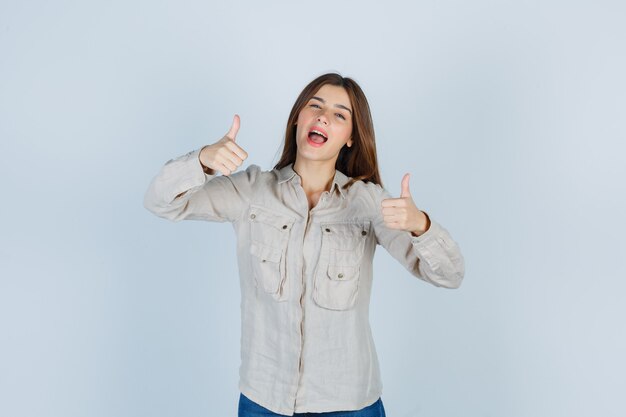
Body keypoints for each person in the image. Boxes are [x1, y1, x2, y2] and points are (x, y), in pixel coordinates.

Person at [143, 73, 465, 417]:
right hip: (264, 401)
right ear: (298, 117)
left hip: (349, 404)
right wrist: (203, 160)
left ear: (351, 138)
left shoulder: (367, 203)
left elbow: (449, 274)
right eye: (315, 106)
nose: (323, 116)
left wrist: (421, 225)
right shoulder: (252, 191)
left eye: (340, 114)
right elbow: (161, 201)